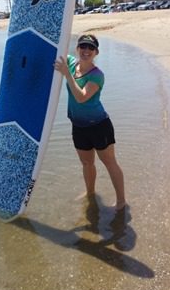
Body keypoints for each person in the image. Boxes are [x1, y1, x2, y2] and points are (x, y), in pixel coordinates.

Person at [54, 34, 126, 211]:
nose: (86, 51)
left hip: (99, 125)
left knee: (109, 162)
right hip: (78, 126)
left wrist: (66, 74)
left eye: (90, 48)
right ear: (77, 48)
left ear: (96, 52)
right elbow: (54, 50)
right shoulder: (70, 62)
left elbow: (81, 97)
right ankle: (90, 193)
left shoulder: (97, 76)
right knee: (87, 163)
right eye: (83, 47)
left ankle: (121, 201)